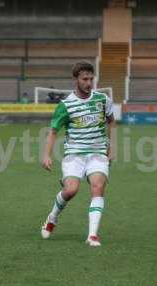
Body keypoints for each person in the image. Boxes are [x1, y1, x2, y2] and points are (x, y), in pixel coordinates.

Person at [41, 61, 116, 247]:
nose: (89, 83)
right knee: (71, 190)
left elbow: (111, 121)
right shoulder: (66, 105)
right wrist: (46, 155)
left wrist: (112, 147)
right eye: (85, 79)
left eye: (91, 78)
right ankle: (52, 218)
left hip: (97, 153)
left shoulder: (102, 99)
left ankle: (92, 235)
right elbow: (53, 131)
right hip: (74, 154)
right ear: (76, 80)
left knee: (98, 186)